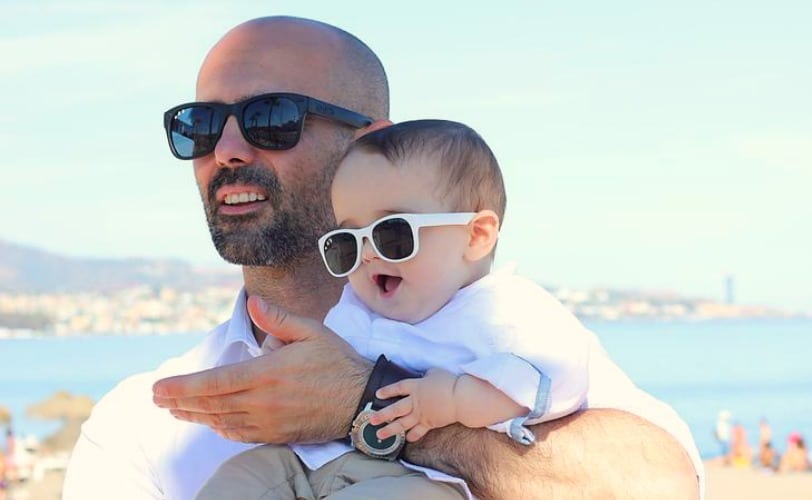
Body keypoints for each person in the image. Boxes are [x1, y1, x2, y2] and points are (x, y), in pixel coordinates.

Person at [63, 16, 700, 500]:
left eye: (271, 118)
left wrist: (367, 400)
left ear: (369, 143)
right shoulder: (142, 422)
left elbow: (660, 485)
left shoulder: (498, 328)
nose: (226, 148)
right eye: (200, 125)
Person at [196, 120, 702, 498]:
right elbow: (318, 368)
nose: (367, 254)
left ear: (476, 237)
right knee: (237, 480)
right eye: (346, 242)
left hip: (422, 480)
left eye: (394, 234)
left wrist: (458, 399)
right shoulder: (354, 303)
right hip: (311, 463)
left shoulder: (506, 310)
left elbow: (556, 378)